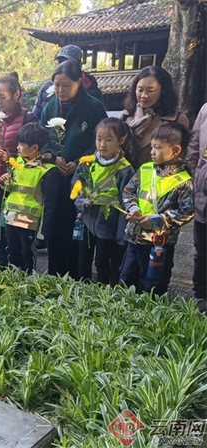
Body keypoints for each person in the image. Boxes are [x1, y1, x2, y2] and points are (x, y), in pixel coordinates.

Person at [41, 60, 108, 279]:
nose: (60, 90)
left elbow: (100, 142)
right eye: (56, 85)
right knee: (55, 226)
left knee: (78, 228)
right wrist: (53, 157)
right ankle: (54, 276)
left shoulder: (94, 106)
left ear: (79, 82)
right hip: (55, 176)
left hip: (82, 177)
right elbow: (42, 138)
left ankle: (79, 278)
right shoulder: (50, 106)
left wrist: (79, 161)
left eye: (66, 85)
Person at [120, 123, 195, 296]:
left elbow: (187, 211)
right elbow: (128, 191)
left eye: (158, 147)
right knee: (126, 278)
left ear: (175, 150)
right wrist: (133, 207)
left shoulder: (183, 181)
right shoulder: (145, 169)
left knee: (153, 285)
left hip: (159, 243)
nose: (152, 152)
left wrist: (159, 220)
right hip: (135, 237)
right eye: (152, 146)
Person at [73, 118, 135, 286]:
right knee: (83, 259)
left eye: (108, 140)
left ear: (121, 140)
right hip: (87, 220)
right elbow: (76, 187)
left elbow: (127, 199)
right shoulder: (87, 163)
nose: (102, 145)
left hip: (108, 225)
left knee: (103, 261)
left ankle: (102, 293)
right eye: (99, 139)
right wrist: (82, 203)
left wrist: (121, 233)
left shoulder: (125, 170)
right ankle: (81, 290)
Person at [0, 72, 37, 266]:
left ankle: (23, 266)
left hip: (20, 183)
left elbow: (35, 151)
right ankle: (2, 262)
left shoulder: (28, 118)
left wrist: (11, 158)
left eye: (2, 97)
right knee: (0, 223)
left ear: (16, 95)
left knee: (18, 227)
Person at [0, 123, 59, 273]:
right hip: (11, 218)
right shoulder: (17, 163)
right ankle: (12, 281)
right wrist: (5, 182)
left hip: (30, 223)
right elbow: (12, 188)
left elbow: (50, 203)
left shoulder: (48, 170)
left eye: (21, 144)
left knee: (28, 255)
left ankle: (27, 282)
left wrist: (45, 230)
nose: (17, 147)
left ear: (35, 148)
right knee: (12, 253)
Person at [121, 66, 189, 168]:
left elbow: (184, 154)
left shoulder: (176, 119)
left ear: (163, 91)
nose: (144, 95)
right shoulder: (126, 116)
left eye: (150, 90)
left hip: (160, 174)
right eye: (140, 90)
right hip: (127, 173)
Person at [32, 45, 103, 120]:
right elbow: (35, 117)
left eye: (67, 62)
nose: (63, 66)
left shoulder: (92, 94)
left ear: (79, 65)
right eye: (60, 62)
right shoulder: (46, 89)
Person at [187, 102, 207, 312]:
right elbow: (194, 148)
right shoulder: (205, 110)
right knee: (201, 250)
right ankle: (200, 296)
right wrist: (195, 178)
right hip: (203, 195)